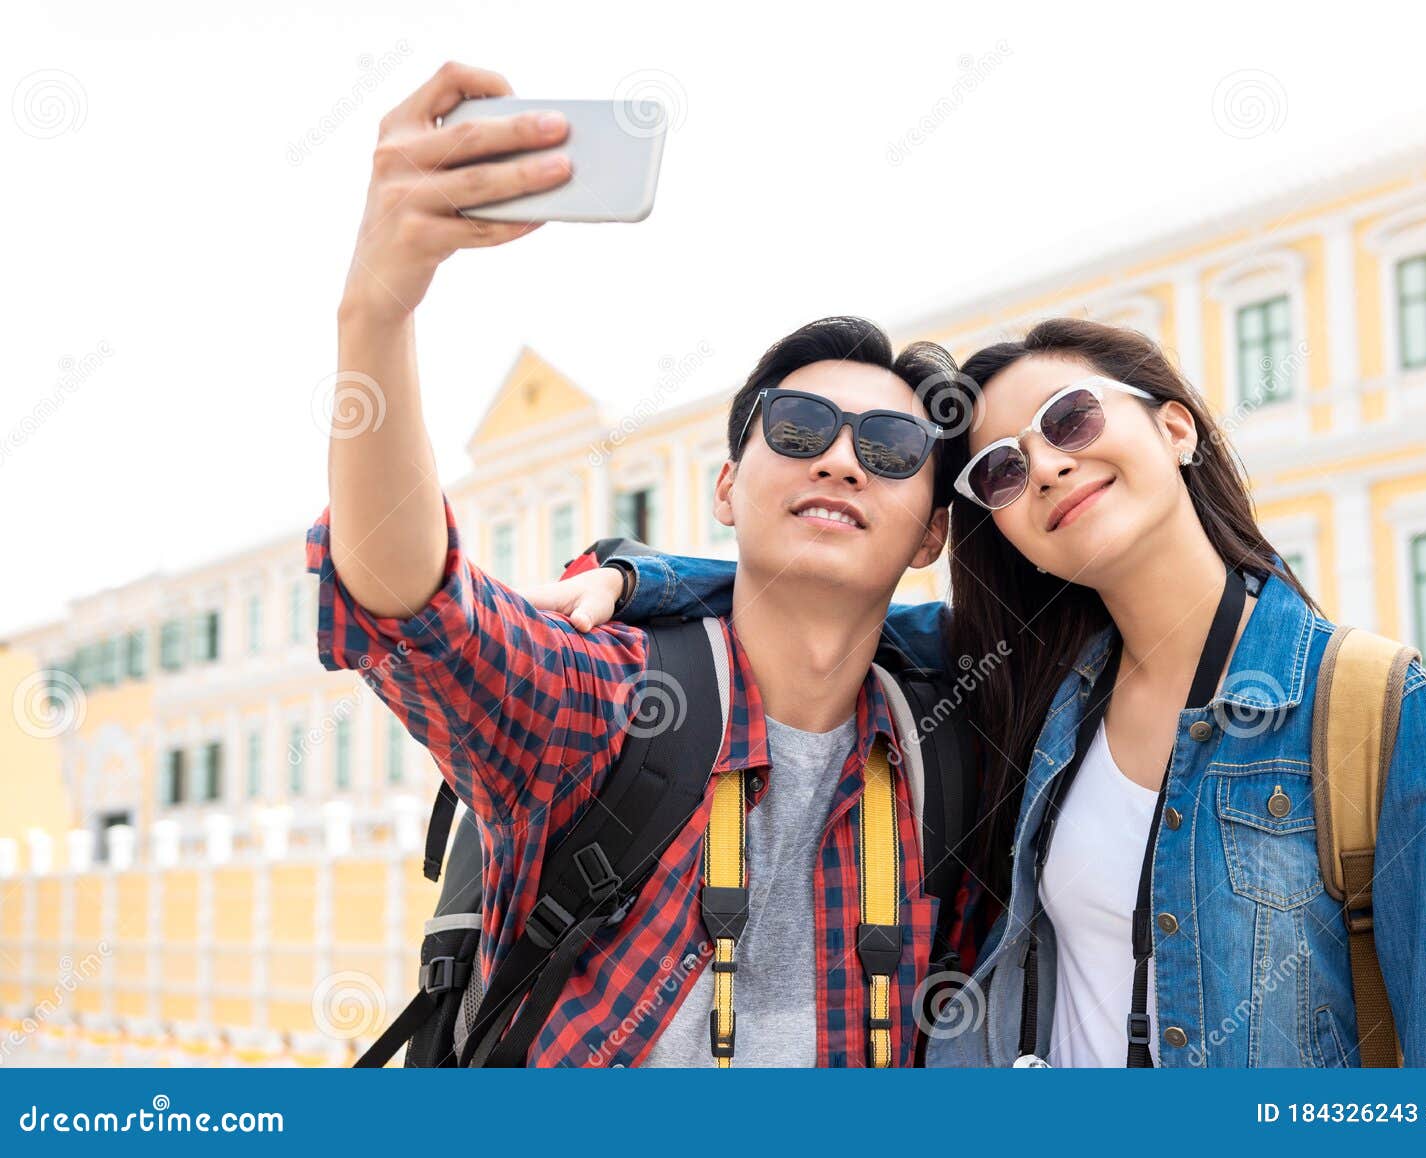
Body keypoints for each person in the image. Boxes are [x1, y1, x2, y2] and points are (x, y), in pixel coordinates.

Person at [542, 316, 1426, 1067]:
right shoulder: (1038, 688)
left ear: (1172, 426)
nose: (1044, 465)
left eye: (1072, 420)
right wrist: (640, 578)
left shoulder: (1374, 713)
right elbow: (818, 590)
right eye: (999, 471)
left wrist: (642, 575)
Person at [312, 59, 985, 1068]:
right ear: (726, 490)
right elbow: (413, 608)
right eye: (799, 429)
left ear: (931, 533)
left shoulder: (959, 749)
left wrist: (647, 572)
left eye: (890, 450)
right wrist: (376, 309)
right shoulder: (617, 706)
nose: (841, 458)